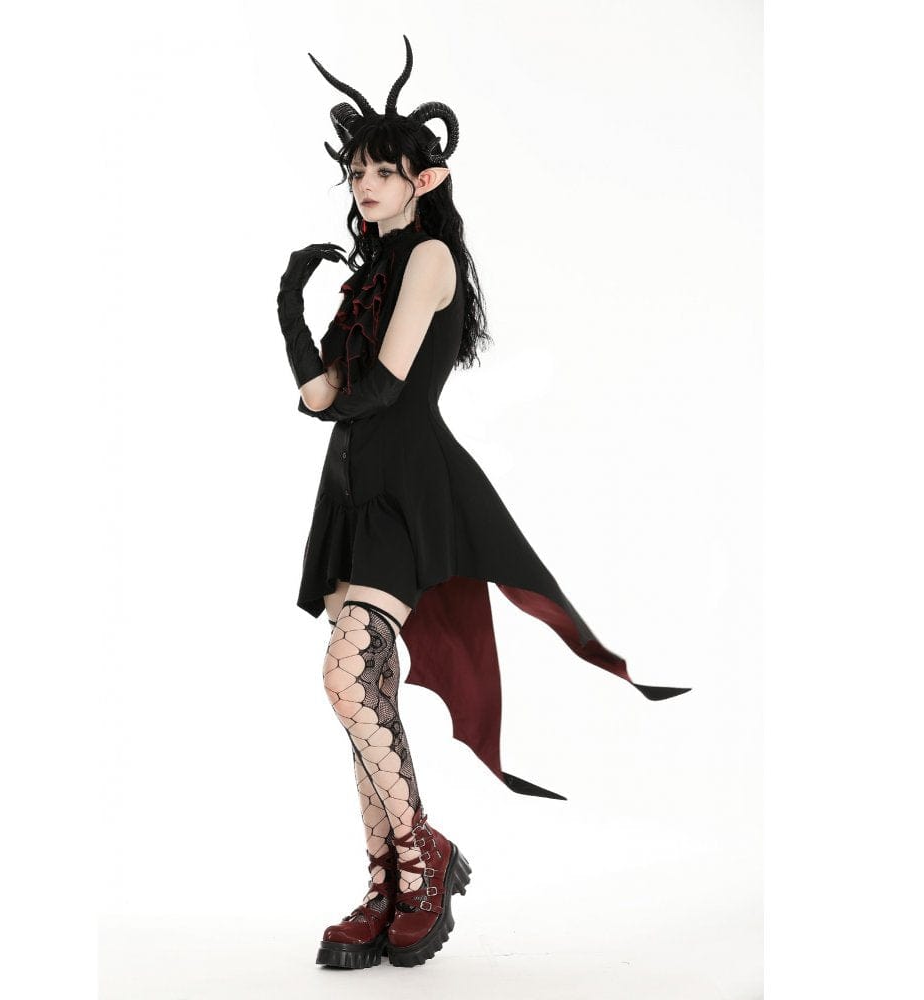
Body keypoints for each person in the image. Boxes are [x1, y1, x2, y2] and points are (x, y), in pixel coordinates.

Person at [276, 35, 691, 971]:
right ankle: (388, 882)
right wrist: (290, 306)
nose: (366, 183)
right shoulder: (368, 276)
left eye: (384, 170)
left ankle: (423, 852)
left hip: (406, 481)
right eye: (357, 170)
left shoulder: (428, 258)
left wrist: (325, 383)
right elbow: (318, 397)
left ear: (425, 179)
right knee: (367, 691)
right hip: (350, 483)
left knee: (347, 679)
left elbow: (379, 389)